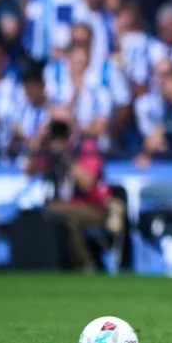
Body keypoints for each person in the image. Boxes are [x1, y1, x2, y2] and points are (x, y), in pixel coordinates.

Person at [26, 105, 111, 271]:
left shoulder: (86, 147)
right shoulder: (48, 149)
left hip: (92, 207)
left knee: (63, 215)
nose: (59, 129)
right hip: (60, 206)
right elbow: (28, 171)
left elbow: (87, 183)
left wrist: (66, 154)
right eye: (55, 123)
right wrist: (37, 144)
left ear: (73, 125)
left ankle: (86, 265)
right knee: (46, 213)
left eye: (63, 123)